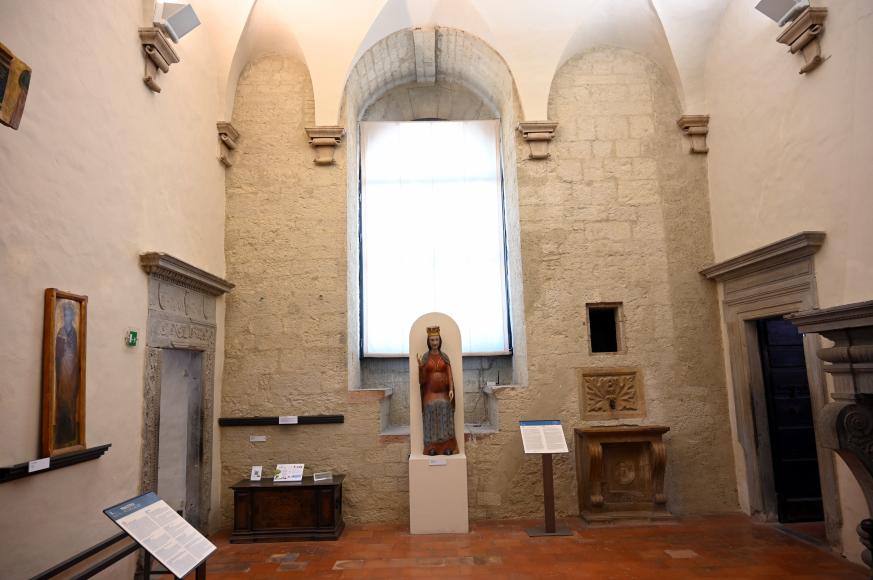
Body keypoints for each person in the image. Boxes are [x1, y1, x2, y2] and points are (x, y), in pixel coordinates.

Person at [417, 326, 458, 455]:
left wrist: (451, 389)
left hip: (443, 393)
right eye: (432, 340)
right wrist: (421, 368)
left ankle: (448, 446)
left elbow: (450, 375)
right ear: (428, 341)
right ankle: (431, 447)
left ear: (440, 341)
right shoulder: (425, 357)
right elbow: (422, 380)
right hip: (430, 394)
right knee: (430, 409)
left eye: (436, 340)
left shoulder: (444, 357)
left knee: (445, 408)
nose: (434, 343)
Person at [55, 301, 80, 448]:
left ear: (73, 316)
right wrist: (62, 347)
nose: (67, 317)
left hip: (72, 370)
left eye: (69, 315)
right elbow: (57, 354)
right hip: (63, 369)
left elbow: (76, 352)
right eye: (65, 315)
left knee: (71, 401)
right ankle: (61, 436)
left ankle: (70, 434)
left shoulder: (74, 332)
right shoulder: (60, 331)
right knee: (62, 399)